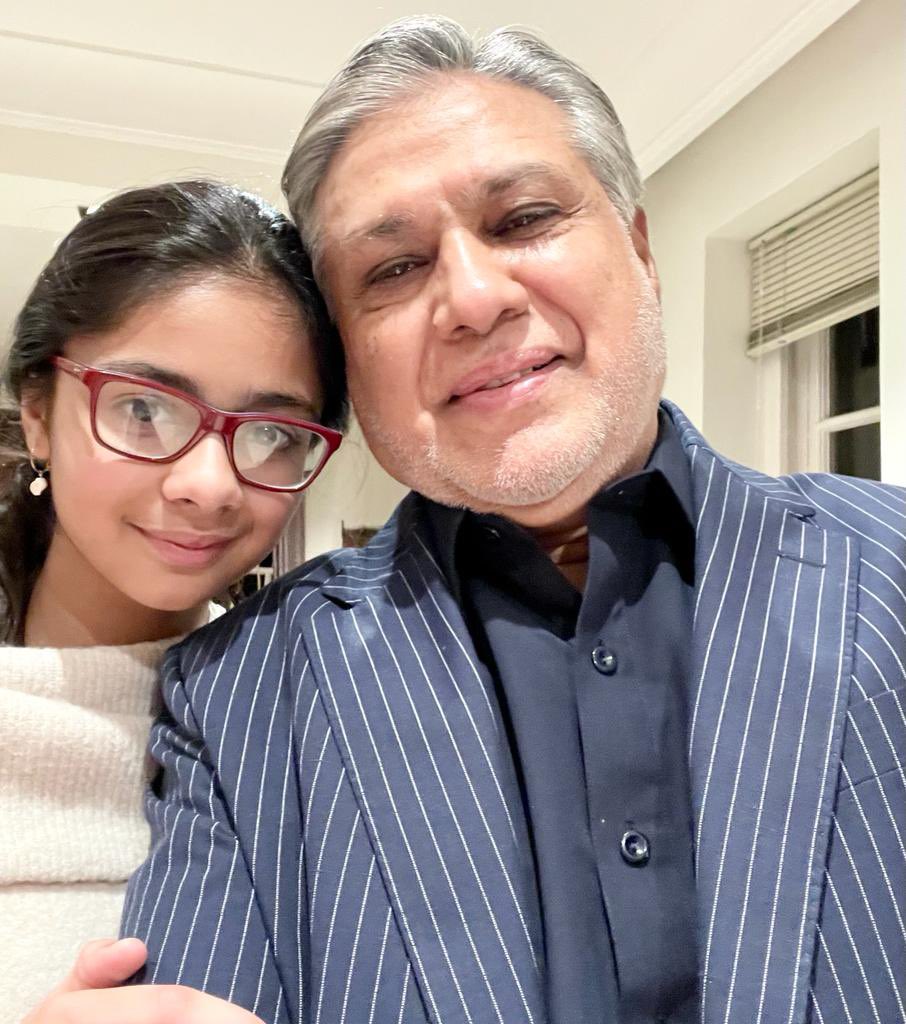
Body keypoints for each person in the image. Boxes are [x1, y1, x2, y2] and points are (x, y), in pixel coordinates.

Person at [50, 15, 904, 1024]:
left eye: (525, 218)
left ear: (640, 248)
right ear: (350, 355)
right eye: (393, 269)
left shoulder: (887, 567)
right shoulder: (240, 694)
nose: (472, 297)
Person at [0, 180, 346, 1023]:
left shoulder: (303, 723)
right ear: (39, 412)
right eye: (145, 409)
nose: (209, 485)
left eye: (273, 434)